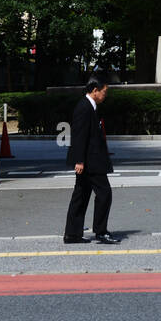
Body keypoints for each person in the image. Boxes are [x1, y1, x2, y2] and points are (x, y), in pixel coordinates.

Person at [63, 73, 118, 245]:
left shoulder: (88, 106)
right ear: (95, 90)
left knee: (81, 195)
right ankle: (100, 232)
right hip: (90, 162)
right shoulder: (84, 107)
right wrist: (79, 160)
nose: (105, 95)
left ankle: (72, 234)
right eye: (104, 92)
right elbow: (79, 135)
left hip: (89, 160)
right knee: (104, 193)